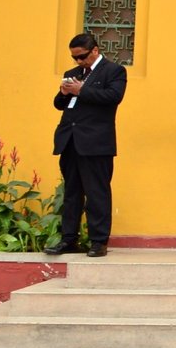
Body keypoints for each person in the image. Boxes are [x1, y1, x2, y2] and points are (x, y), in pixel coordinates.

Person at [44, 33, 127, 258]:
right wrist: (63, 92)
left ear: (95, 51)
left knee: (96, 192)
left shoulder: (114, 71)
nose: (79, 62)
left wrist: (81, 90)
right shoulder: (73, 74)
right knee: (71, 192)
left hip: (96, 142)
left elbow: (112, 97)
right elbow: (59, 105)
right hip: (70, 140)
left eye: (82, 57)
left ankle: (98, 241)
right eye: (74, 58)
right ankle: (68, 239)